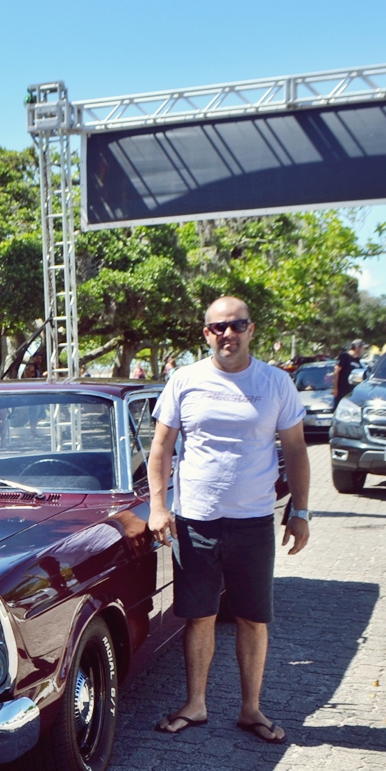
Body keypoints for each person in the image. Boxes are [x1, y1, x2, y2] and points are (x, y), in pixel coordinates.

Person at [146, 297, 310, 744]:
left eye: (237, 325)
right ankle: (195, 705)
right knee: (199, 616)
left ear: (251, 329)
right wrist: (159, 507)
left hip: (253, 521)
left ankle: (251, 709)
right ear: (206, 334)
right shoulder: (185, 380)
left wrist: (300, 510)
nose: (228, 334)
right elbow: (161, 447)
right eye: (218, 327)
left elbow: (296, 449)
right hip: (196, 522)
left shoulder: (275, 383)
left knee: (253, 618)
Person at [334, 339, 366, 406]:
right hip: (342, 390)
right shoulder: (345, 356)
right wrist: (335, 388)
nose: (363, 350)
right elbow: (336, 371)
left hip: (352, 391)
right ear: (357, 347)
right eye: (363, 348)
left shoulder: (357, 360)